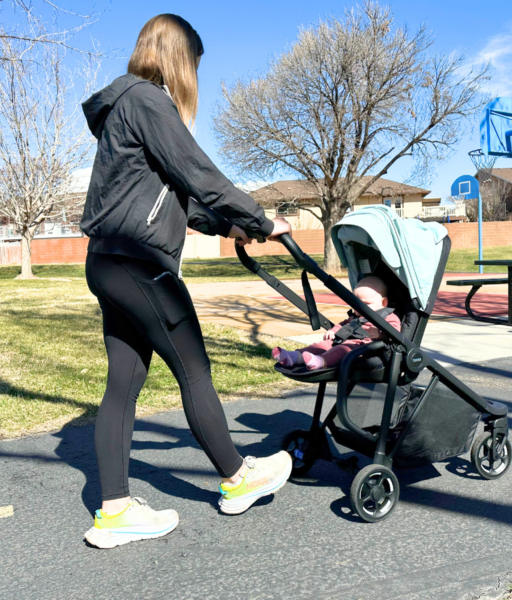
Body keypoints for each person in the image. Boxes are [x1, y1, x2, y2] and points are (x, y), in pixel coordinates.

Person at [79, 13, 293, 549]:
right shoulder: (149, 101)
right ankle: (238, 479)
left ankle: (115, 512)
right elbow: (199, 174)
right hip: (139, 263)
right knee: (194, 370)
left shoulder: (120, 111)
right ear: (179, 58)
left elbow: (184, 200)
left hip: (106, 261)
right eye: (194, 63)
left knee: (122, 387)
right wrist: (263, 219)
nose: (194, 74)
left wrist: (234, 226)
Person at [272, 276, 401, 370]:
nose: (360, 308)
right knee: (321, 345)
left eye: (366, 304)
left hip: (365, 347)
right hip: (344, 340)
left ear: (383, 303)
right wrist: (333, 331)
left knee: (341, 350)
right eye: (356, 304)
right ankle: (294, 356)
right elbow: (344, 323)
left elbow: (395, 332)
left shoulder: (389, 316)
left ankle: (321, 361)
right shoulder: (356, 316)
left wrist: (380, 334)